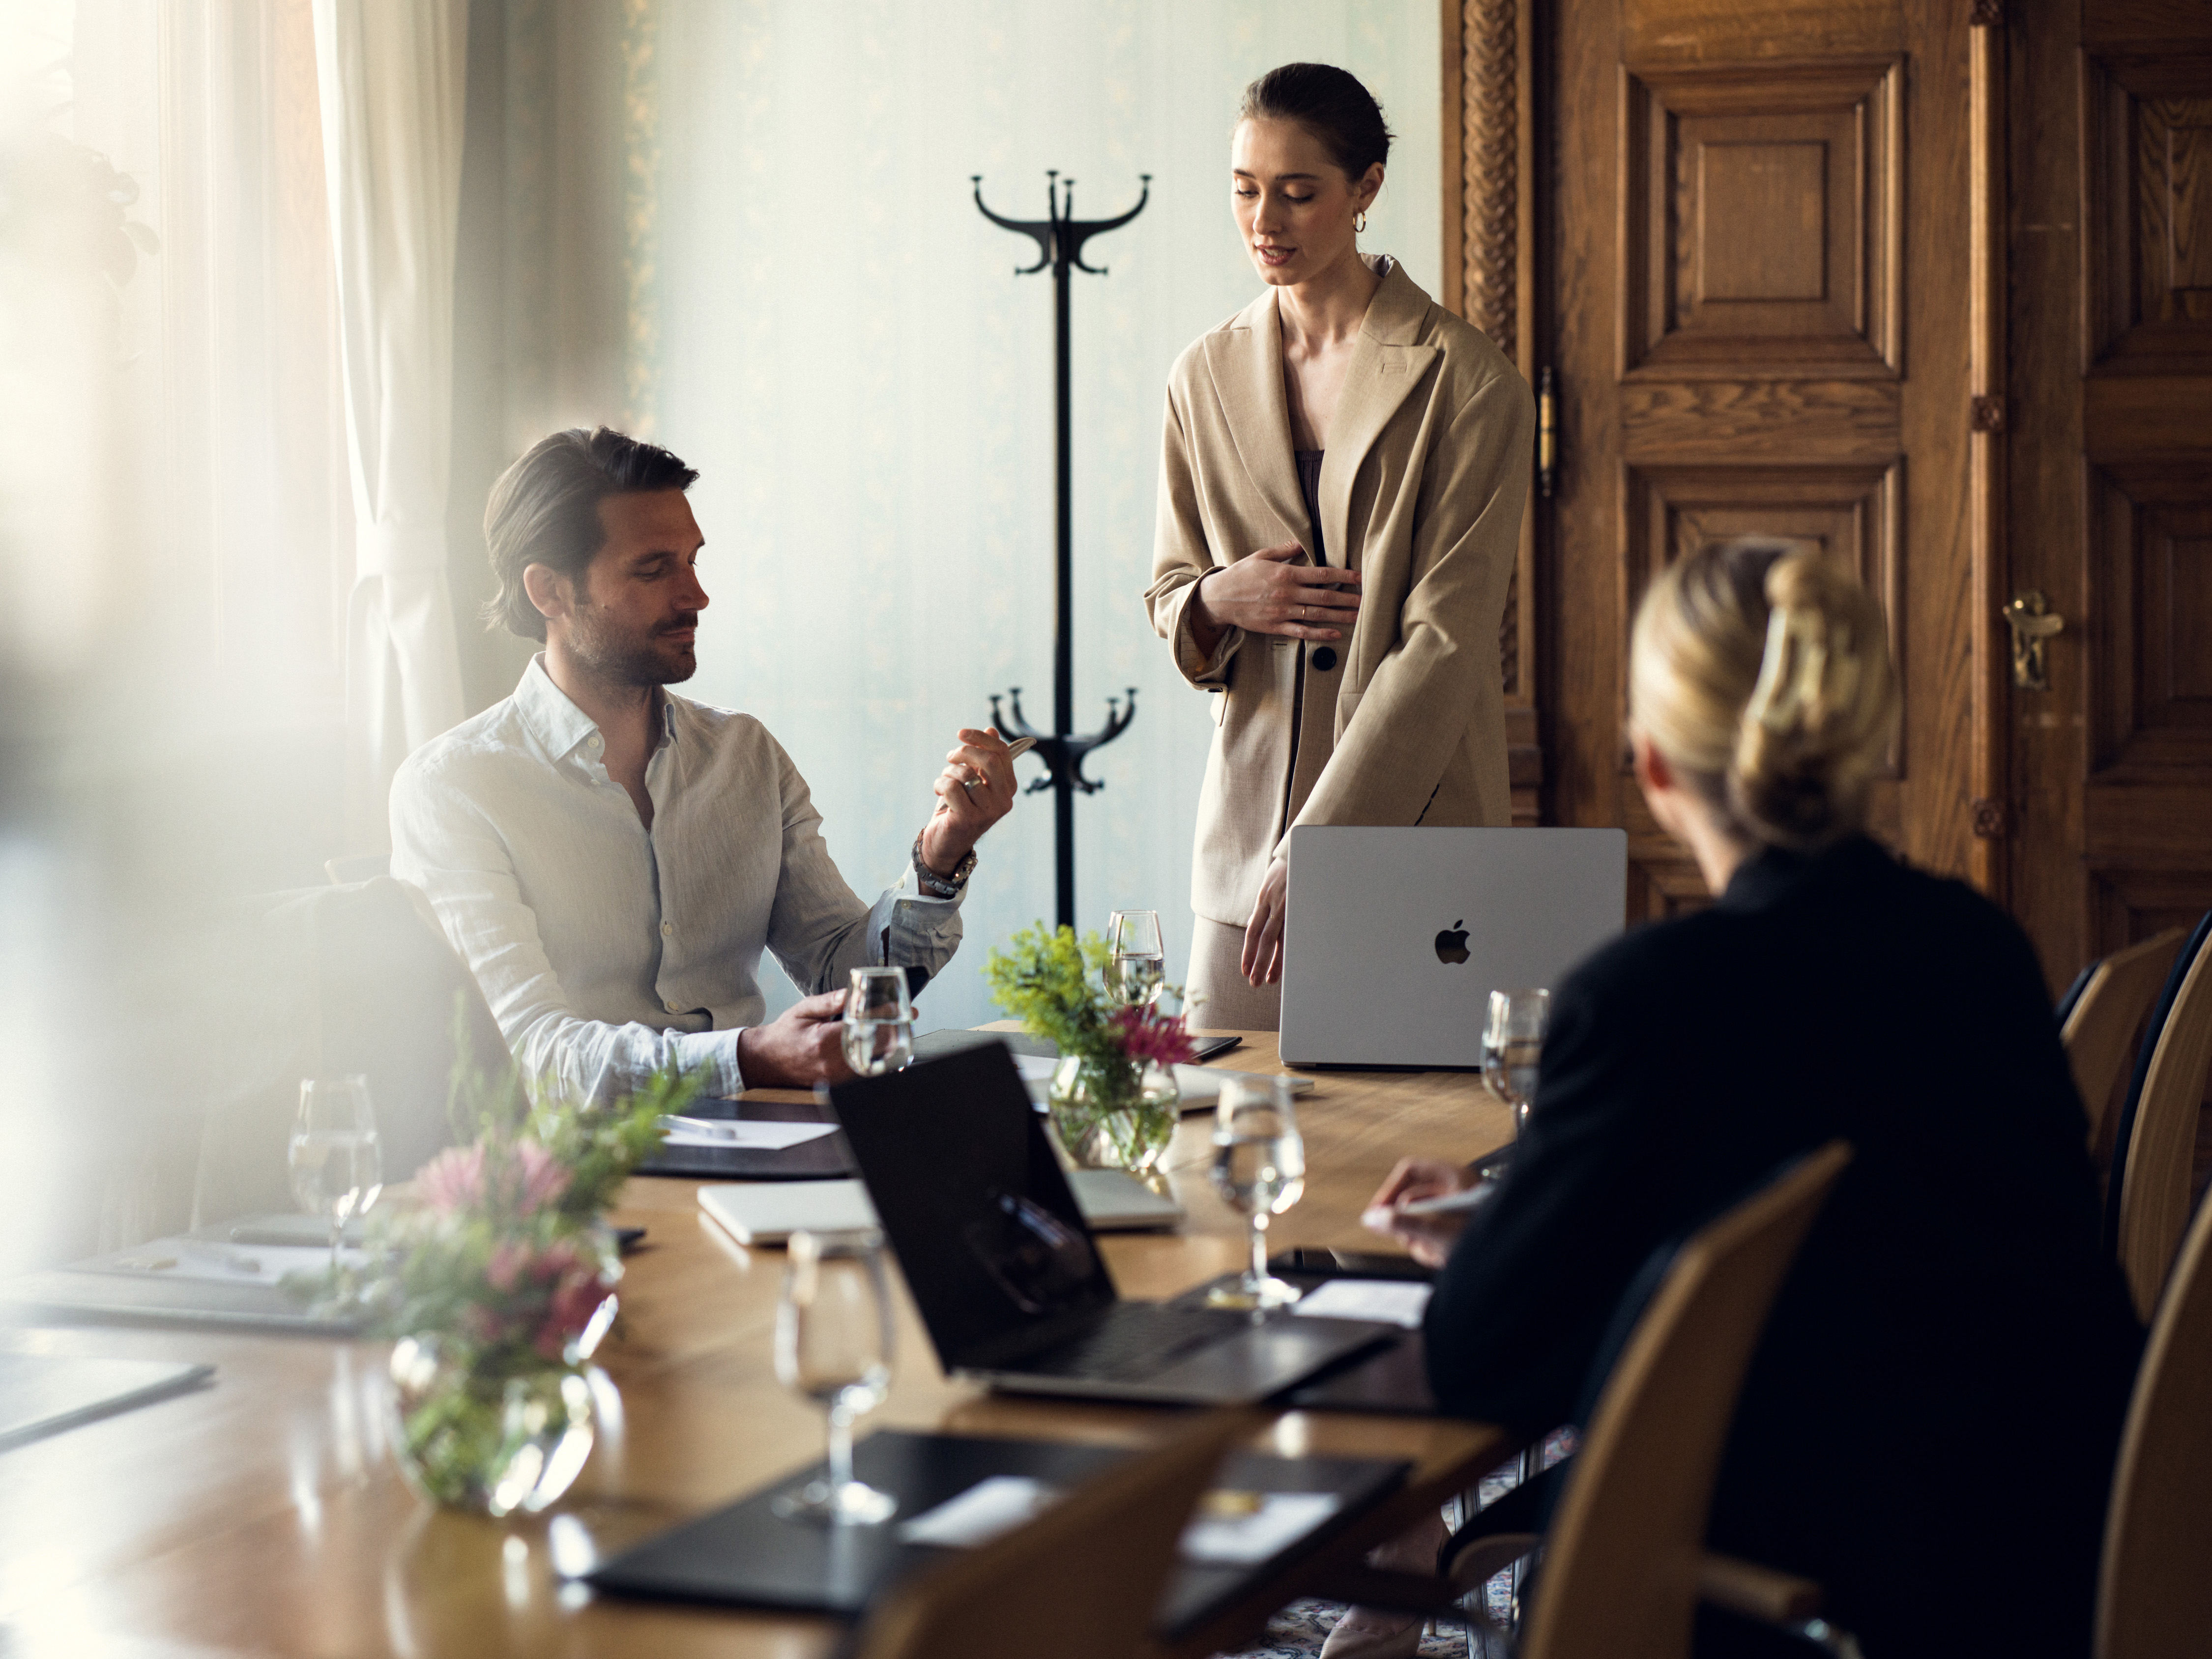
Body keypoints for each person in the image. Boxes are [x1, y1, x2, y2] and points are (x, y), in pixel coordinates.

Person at [1352, 542, 2143, 1659]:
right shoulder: (1978, 948)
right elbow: (1861, 1235)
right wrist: (1526, 1223)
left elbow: (1484, 1369)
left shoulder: (1650, 999)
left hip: (1821, 1591)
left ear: (1655, 766)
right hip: (2047, 1554)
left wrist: (1496, 1256)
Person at [391, 427, 1019, 1102]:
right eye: (655, 569)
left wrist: (943, 853)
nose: (697, 595)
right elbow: (533, 1053)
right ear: (549, 592)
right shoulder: (454, 789)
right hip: (583, 1181)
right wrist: (748, 1057)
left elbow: (844, 978)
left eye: (693, 561)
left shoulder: (745, 756)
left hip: (771, 1146)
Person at [1146, 62, 1533, 1030]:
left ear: (1366, 191)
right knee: (1224, 1133)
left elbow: (1446, 644)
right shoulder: (1202, 375)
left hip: (1418, 827)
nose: (1264, 221)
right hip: (1243, 843)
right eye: (1245, 189)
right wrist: (1216, 600)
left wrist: (1321, 842)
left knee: (1406, 1134)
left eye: (1297, 191)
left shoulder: (1469, 383)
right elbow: (1171, 592)